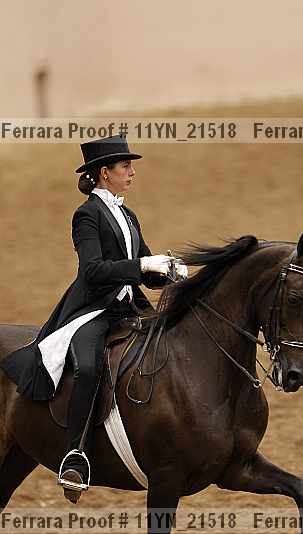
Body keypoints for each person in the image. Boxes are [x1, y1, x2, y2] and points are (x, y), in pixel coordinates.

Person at [0, 134, 187, 502]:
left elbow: (142, 270)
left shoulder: (128, 215)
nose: (132, 172)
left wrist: (166, 271)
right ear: (105, 173)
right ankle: (75, 454)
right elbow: (93, 270)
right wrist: (141, 265)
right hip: (94, 310)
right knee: (88, 367)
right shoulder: (87, 215)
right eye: (125, 166)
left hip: (128, 308)